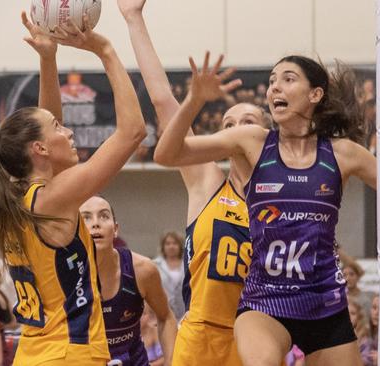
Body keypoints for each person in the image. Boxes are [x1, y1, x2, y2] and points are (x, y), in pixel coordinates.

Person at [153, 53, 380, 366]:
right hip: (264, 301)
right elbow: (167, 154)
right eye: (271, 81)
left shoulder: (342, 155)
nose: (274, 88)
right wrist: (195, 100)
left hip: (324, 303)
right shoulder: (252, 141)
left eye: (287, 79)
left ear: (315, 94)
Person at [0, 12, 146, 365]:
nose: (67, 132)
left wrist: (48, 60)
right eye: (59, 127)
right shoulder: (53, 198)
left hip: (34, 354)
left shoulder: (16, 197)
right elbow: (133, 132)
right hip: (71, 354)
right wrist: (107, 51)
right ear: (39, 149)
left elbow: (45, 129)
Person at [118, 1, 270, 364]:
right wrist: (134, 19)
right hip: (202, 334)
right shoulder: (208, 180)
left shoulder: (287, 190)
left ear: (267, 133)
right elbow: (161, 101)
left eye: (249, 121)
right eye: (229, 125)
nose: (238, 130)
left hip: (260, 334)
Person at [80, 196, 177, 365]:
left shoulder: (142, 270)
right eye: (86, 218)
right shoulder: (63, 274)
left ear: (115, 229)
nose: (95, 223)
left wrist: (171, 362)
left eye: (103, 216)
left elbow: (166, 317)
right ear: (75, 229)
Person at [152, 232, 186, 321]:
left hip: (184, 312)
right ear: (163, 246)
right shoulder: (154, 264)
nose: (171, 246)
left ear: (180, 245)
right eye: (168, 243)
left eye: (175, 243)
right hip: (162, 312)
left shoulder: (188, 265)